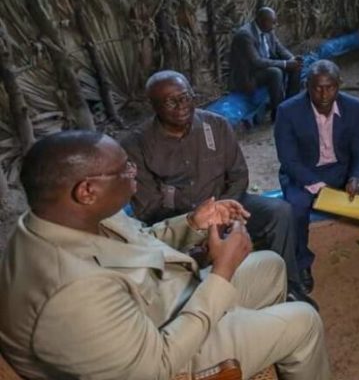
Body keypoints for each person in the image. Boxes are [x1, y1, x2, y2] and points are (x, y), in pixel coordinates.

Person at [0, 131, 330, 380]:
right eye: (124, 169)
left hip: (163, 305)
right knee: (304, 321)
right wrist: (222, 272)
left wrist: (192, 223)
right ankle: (259, 340)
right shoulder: (70, 294)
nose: (134, 172)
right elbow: (156, 366)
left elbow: (140, 241)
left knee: (270, 265)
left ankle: (253, 338)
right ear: (87, 191)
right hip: (166, 353)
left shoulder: (66, 217)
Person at [122, 70, 314, 305]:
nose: (181, 105)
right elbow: (148, 208)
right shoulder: (136, 144)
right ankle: (204, 305)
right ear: (153, 105)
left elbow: (238, 175)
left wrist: (223, 213)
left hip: (226, 204)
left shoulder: (216, 126)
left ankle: (289, 288)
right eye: (170, 101)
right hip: (179, 221)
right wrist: (194, 227)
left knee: (280, 212)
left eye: (185, 97)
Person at [274, 59, 359, 292]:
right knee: (295, 208)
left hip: (341, 168)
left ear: (338, 85)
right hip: (304, 173)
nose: (323, 94)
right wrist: (317, 186)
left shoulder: (353, 107)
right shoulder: (288, 111)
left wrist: (357, 176)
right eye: (317, 87)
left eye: (329, 87)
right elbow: (289, 160)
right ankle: (302, 263)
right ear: (307, 86)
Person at [229, 6, 302, 120]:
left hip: (264, 68)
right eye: (272, 22)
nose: (275, 24)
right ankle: (278, 114)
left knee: (296, 67)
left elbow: (280, 49)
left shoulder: (268, 31)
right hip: (249, 75)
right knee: (275, 72)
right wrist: (285, 64)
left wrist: (293, 60)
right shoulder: (245, 35)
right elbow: (256, 62)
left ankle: (290, 106)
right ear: (261, 21)